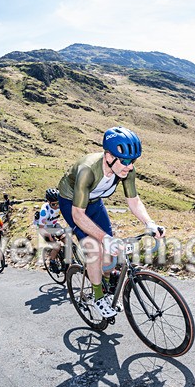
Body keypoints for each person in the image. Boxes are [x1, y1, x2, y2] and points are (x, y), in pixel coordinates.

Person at [57, 126, 163, 318]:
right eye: (125, 161)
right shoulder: (88, 170)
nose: (129, 166)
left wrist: (149, 223)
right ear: (108, 156)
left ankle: (105, 283)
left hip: (95, 203)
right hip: (72, 204)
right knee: (95, 248)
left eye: (133, 161)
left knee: (110, 249)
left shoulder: (125, 169)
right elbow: (78, 215)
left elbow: (134, 201)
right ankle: (98, 297)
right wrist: (103, 238)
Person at [37, 188, 66, 272]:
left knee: (67, 240)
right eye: (53, 204)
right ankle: (52, 262)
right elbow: (41, 228)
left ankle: (70, 260)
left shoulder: (60, 205)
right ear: (48, 202)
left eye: (58, 203)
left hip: (53, 225)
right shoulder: (44, 211)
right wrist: (50, 236)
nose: (56, 206)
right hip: (45, 229)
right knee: (57, 246)